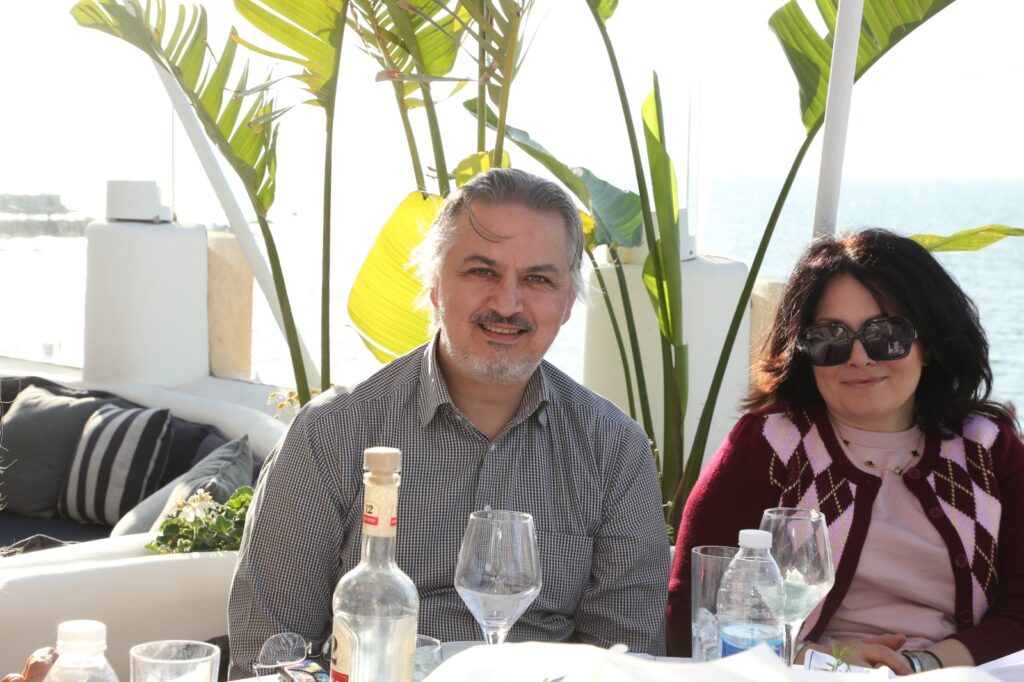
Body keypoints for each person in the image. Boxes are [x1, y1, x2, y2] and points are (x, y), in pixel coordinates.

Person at [229, 168, 669, 676]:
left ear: (568, 301)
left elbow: (626, 662)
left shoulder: (614, 450)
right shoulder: (330, 436)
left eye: (538, 279)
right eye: (482, 271)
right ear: (435, 285)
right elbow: (272, 658)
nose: (507, 303)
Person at [666, 229, 1024, 672]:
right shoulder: (768, 446)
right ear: (804, 350)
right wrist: (822, 661)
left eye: (886, 333)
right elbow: (695, 611)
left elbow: (1020, 610)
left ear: (929, 343)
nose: (859, 357)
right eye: (830, 337)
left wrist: (919, 665)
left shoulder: (988, 448)